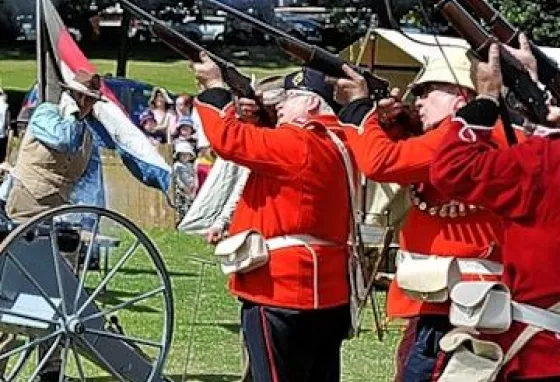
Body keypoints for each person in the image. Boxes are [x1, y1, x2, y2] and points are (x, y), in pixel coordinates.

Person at [330, 50, 513, 382]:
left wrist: (359, 108)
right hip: (455, 299)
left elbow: (381, 163)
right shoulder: (471, 134)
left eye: (428, 91)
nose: (419, 100)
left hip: (455, 305)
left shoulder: (456, 138)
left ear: (462, 97)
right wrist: (396, 125)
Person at [193, 51, 352, 382]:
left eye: (290, 98)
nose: (280, 105)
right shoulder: (339, 142)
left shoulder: (299, 142)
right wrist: (259, 118)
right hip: (328, 290)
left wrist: (214, 87)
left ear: (310, 106)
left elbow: (228, 139)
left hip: (281, 287)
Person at [430, 38, 560, 381]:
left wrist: (487, 98)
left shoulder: (544, 162)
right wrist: (532, 91)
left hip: (542, 353)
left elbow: (452, 168)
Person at [3, 69, 103, 381]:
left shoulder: (87, 135)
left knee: (59, 295)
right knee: (14, 289)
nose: (84, 104)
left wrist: (87, 221)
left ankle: (50, 367)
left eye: (89, 100)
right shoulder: (46, 114)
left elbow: (89, 183)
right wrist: (71, 113)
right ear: (69, 93)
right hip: (27, 203)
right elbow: (62, 139)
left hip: (59, 215)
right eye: (80, 96)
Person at [173, 140, 197, 224]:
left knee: (190, 206)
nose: (184, 156)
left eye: (186, 154)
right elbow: (177, 178)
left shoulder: (190, 166)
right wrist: (183, 187)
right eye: (182, 154)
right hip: (181, 190)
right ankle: (180, 221)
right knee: (181, 206)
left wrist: (194, 188)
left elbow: (194, 177)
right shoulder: (177, 166)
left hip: (190, 189)